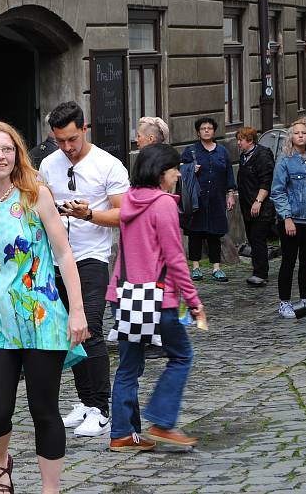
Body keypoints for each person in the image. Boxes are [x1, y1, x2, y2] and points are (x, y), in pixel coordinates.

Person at [0, 120, 89, 494]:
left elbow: (64, 254)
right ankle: (1, 461)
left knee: (43, 409)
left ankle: (50, 489)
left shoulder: (36, 195)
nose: (0, 156)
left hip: (42, 317)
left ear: (16, 154)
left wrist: (76, 310)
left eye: (7, 149)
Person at [107, 143, 206, 452]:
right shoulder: (163, 204)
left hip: (124, 295)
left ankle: (123, 433)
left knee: (128, 367)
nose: (178, 174)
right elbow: (175, 259)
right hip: (157, 298)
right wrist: (193, 301)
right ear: (162, 173)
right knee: (181, 356)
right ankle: (162, 421)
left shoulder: (129, 200)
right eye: (175, 169)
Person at [39, 101, 129, 438]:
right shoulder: (49, 164)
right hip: (56, 258)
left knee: (88, 327)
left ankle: (102, 408)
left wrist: (88, 215)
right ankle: (84, 401)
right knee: (68, 334)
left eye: (72, 140)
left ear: (84, 129)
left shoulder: (108, 165)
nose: (67, 147)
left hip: (91, 257)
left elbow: (124, 214)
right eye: (60, 140)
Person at [270, 118, 306, 319]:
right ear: (291, 136)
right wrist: (287, 217)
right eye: (297, 133)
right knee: (289, 261)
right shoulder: (285, 161)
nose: (300, 136)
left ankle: (305, 298)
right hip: (293, 220)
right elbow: (278, 191)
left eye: (304, 133)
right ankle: (284, 302)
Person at [181, 117, 237, 282]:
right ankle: (196, 267)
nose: (206, 130)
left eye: (209, 128)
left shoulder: (222, 152)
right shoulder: (190, 151)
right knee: (195, 234)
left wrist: (230, 194)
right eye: (203, 128)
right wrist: (191, 169)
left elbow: (229, 174)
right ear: (198, 132)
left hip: (216, 199)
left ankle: (216, 268)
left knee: (215, 233)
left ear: (213, 131)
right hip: (197, 199)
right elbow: (179, 172)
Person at [235, 126, 275, 287]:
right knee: (253, 238)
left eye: (240, 140)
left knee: (258, 239)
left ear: (250, 141)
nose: (238, 143)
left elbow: (266, 181)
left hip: (260, 207)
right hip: (247, 207)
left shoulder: (262, 155)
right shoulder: (244, 156)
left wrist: (258, 201)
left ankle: (261, 273)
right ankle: (257, 269)